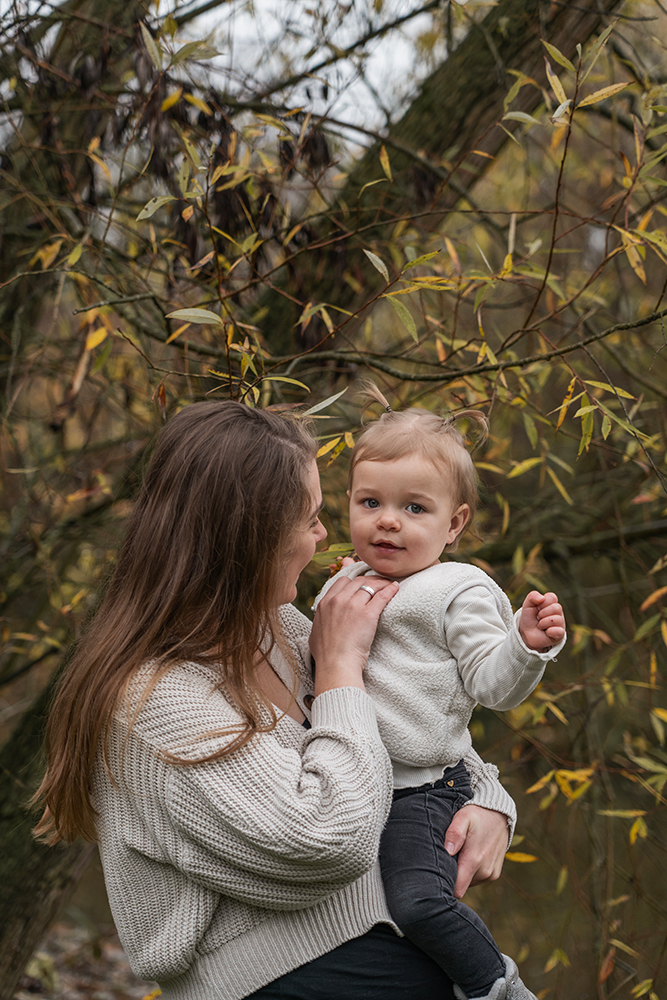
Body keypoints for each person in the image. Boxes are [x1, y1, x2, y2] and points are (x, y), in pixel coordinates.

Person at [33, 400, 517, 1000]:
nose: (324, 536)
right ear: (248, 537)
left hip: (394, 945)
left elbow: (404, 728)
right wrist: (341, 667)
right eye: (311, 516)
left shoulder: (277, 629)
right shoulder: (155, 702)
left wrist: (491, 801)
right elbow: (326, 842)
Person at [313, 388, 566, 1000]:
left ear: (454, 524)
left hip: (418, 789)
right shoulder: (346, 579)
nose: (388, 520)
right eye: (370, 502)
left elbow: (491, 684)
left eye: (414, 508)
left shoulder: (457, 589)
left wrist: (524, 645)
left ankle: (497, 986)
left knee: (420, 904)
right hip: (344, 781)